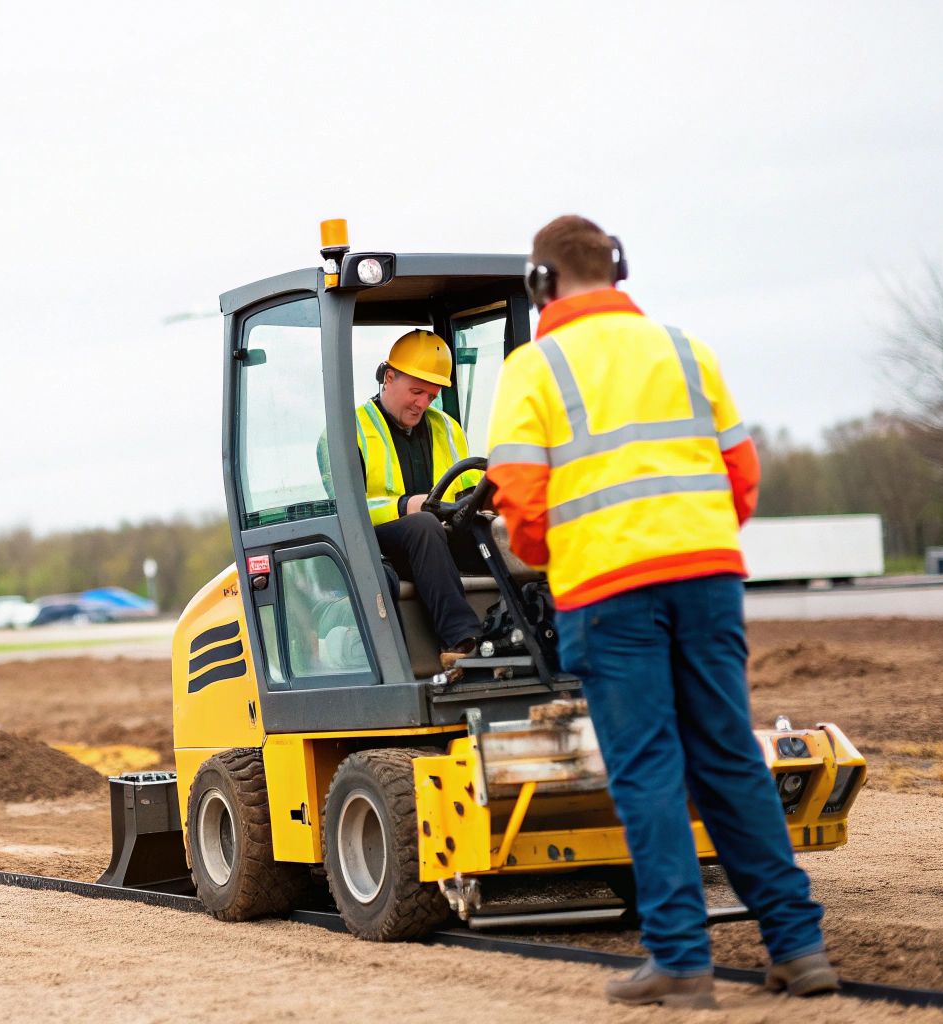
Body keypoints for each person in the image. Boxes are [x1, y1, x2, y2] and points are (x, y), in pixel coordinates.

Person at [486, 215, 834, 1008]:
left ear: (542, 283)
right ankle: (798, 947)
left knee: (647, 768)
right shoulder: (686, 350)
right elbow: (741, 472)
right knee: (730, 759)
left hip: (610, 592)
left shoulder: (535, 368)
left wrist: (559, 553)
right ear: (620, 269)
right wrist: (695, 536)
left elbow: (522, 505)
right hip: (708, 578)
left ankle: (681, 960)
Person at [324, 329, 487, 666]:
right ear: (389, 377)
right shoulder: (345, 432)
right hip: (375, 545)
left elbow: (470, 489)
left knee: (499, 529)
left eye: (432, 395)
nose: (423, 403)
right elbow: (346, 510)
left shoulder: (448, 428)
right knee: (423, 525)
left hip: (437, 540)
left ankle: (526, 628)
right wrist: (404, 506)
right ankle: (462, 640)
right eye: (416, 391)